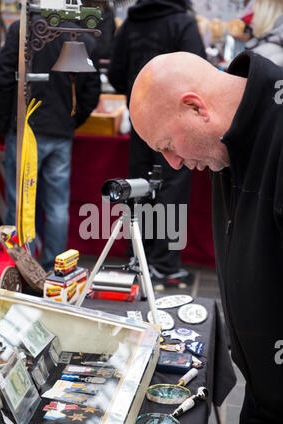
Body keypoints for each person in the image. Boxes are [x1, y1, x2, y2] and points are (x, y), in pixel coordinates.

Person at [129, 50, 283, 424]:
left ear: (196, 107)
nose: (174, 164)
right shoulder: (230, 139)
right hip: (266, 397)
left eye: (168, 144)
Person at [108, 0, 206, 290]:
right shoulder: (182, 23)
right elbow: (199, 72)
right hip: (177, 123)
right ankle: (164, 265)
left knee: (139, 186)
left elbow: (115, 74)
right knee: (172, 187)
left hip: (141, 119)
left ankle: (139, 256)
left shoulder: (130, 23)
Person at [0, 18, 101, 271]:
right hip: (58, 131)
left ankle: (19, 267)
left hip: (25, 128)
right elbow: (91, 91)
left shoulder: (23, 28)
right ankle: (57, 268)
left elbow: (5, 76)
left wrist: (5, 122)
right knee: (57, 205)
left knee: (19, 203)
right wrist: (71, 121)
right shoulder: (82, 36)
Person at [245, 0, 283, 65]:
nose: (252, 21)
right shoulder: (269, 49)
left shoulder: (265, 54)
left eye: (255, 14)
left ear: (265, 17)